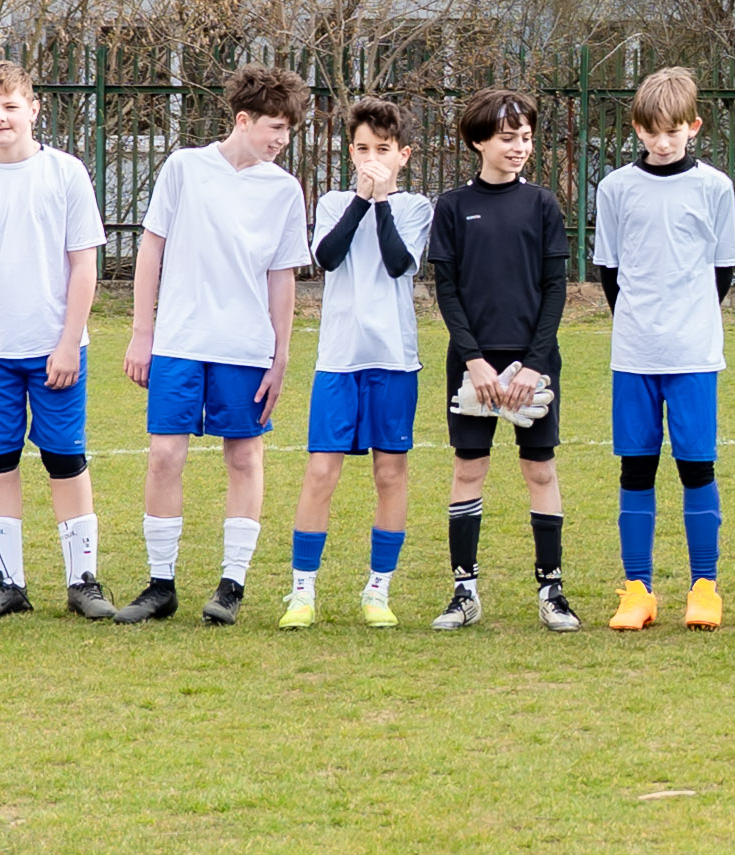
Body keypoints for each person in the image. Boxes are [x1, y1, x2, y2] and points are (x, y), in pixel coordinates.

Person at [118, 65, 308, 623]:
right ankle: (160, 585)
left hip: (246, 348)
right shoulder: (185, 168)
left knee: (244, 456)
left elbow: (282, 276)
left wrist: (280, 356)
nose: (281, 140)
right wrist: (141, 332)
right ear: (243, 119)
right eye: (274, 127)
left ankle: (232, 585)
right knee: (163, 455)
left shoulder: (283, 189)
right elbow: (151, 250)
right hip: (179, 341)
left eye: (288, 132)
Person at [0, 61, 114, 622]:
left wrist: (67, 343)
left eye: (11, 106)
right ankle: (6, 581)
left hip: (55, 349)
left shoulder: (66, 173)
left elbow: (83, 266)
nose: (0, 117)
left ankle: (83, 580)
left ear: (34, 109)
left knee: (65, 458)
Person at [591, 65, 735, 629]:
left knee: (696, 468)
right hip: (634, 355)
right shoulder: (615, 188)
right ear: (636, 127)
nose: (662, 142)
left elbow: (723, 266)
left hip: (694, 355)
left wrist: (689, 319)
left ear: (693, 127)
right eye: (651, 131)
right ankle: (638, 589)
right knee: (636, 470)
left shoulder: (715, 187)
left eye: (672, 132)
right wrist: (641, 321)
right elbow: (609, 270)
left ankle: (705, 586)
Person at [423, 93, 578, 631]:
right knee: (469, 467)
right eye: (508, 137)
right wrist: (474, 360)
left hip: (533, 362)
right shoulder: (451, 206)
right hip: (474, 367)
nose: (519, 147)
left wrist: (535, 364)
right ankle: (464, 592)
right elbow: (448, 292)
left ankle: (552, 591)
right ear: (478, 141)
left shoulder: (541, 204)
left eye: (526, 137)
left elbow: (555, 289)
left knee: (540, 469)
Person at [284, 98, 432, 628]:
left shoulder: (416, 208)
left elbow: (398, 263)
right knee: (321, 472)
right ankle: (302, 592)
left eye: (384, 150)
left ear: (404, 155)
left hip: (393, 360)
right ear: (351, 152)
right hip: (339, 360)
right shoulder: (332, 202)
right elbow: (327, 257)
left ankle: (378, 590)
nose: (373, 158)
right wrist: (361, 201)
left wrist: (383, 200)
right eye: (364, 149)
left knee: (390, 473)